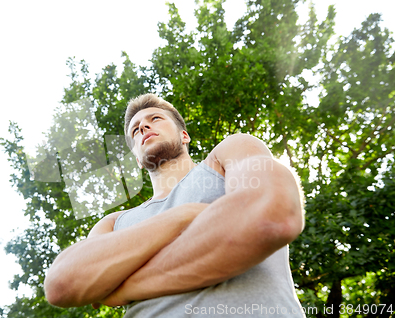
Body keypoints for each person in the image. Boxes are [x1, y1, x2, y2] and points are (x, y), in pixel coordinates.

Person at [44, 93, 305, 317]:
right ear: (136, 158)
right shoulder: (113, 223)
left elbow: (272, 215)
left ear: (184, 135)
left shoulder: (228, 154)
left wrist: (127, 287)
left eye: (155, 119)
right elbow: (63, 284)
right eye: (135, 130)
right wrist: (185, 215)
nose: (143, 127)